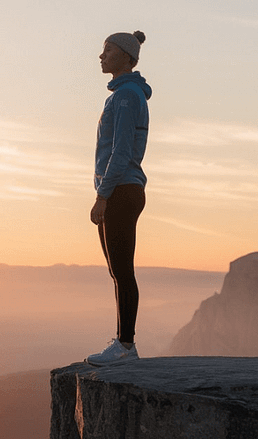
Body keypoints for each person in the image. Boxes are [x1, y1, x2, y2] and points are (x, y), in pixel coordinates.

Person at [86, 30, 152, 366]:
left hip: (121, 190)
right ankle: (123, 342)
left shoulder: (126, 96)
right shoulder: (123, 95)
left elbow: (122, 150)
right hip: (121, 188)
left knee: (122, 270)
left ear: (126, 57)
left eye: (108, 50)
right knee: (118, 270)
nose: (102, 56)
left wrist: (102, 195)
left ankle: (126, 345)